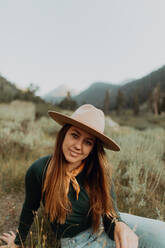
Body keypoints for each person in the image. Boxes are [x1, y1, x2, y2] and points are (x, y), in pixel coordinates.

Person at [0, 104, 164, 248]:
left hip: (102, 226)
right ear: (64, 134)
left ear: (94, 148)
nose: (78, 146)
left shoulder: (99, 171)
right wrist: (18, 241)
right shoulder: (39, 170)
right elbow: (30, 208)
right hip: (78, 242)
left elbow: (110, 215)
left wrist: (120, 225)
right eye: (75, 135)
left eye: (88, 142)